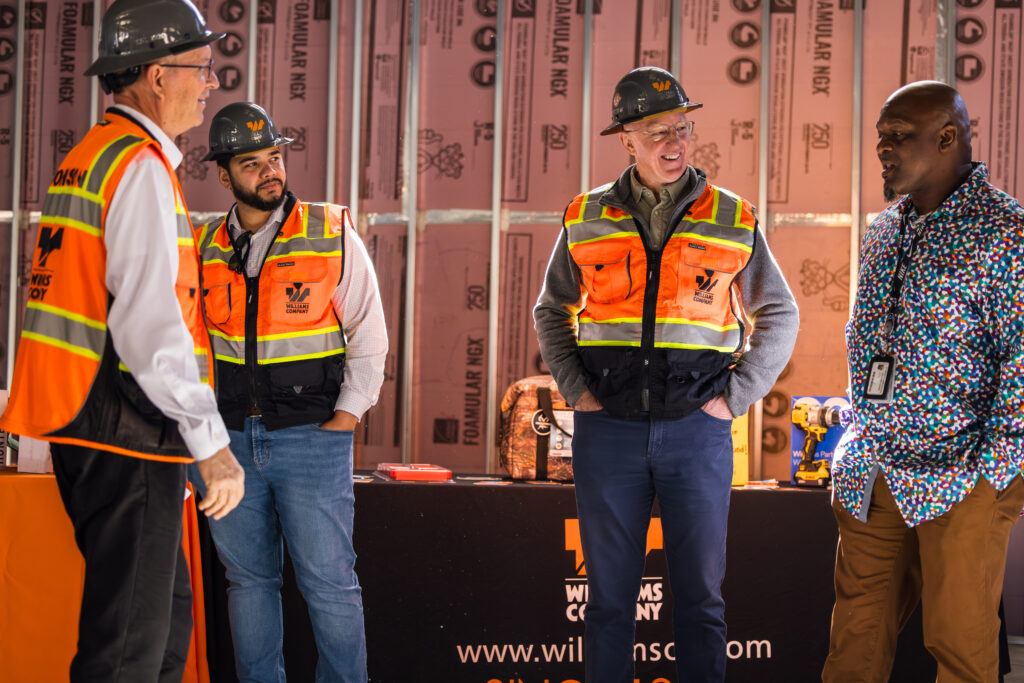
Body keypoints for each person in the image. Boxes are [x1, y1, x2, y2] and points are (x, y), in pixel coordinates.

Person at [0, 0, 246, 680]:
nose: (209, 85)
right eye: (201, 69)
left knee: (161, 630)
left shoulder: (92, 157)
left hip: (93, 427)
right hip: (125, 433)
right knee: (130, 650)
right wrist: (212, 445)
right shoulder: (135, 168)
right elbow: (149, 328)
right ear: (157, 75)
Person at [533, 66, 799, 682]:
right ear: (626, 139)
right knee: (607, 604)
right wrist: (579, 394)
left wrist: (733, 401)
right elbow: (553, 311)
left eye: (682, 127)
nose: (674, 142)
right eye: (657, 131)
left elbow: (778, 312)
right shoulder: (585, 215)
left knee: (702, 603)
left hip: (698, 432)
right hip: (610, 433)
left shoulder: (732, 216)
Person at [822, 81, 1024, 682]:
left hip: (963, 472)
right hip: (877, 466)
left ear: (947, 138)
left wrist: (991, 472)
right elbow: (870, 342)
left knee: (958, 644)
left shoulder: (1006, 233)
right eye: (881, 137)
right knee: (854, 639)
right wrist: (861, 432)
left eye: (898, 137)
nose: (883, 149)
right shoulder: (885, 229)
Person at [189, 101, 387, 683]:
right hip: (226, 443)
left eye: (275, 157)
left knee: (330, 584)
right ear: (224, 175)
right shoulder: (201, 244)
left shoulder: (330, 230)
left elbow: (368, 332)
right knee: (248, 582)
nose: (271, 171)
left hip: (312, 439)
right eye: (253, 163)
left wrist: (347, 418)